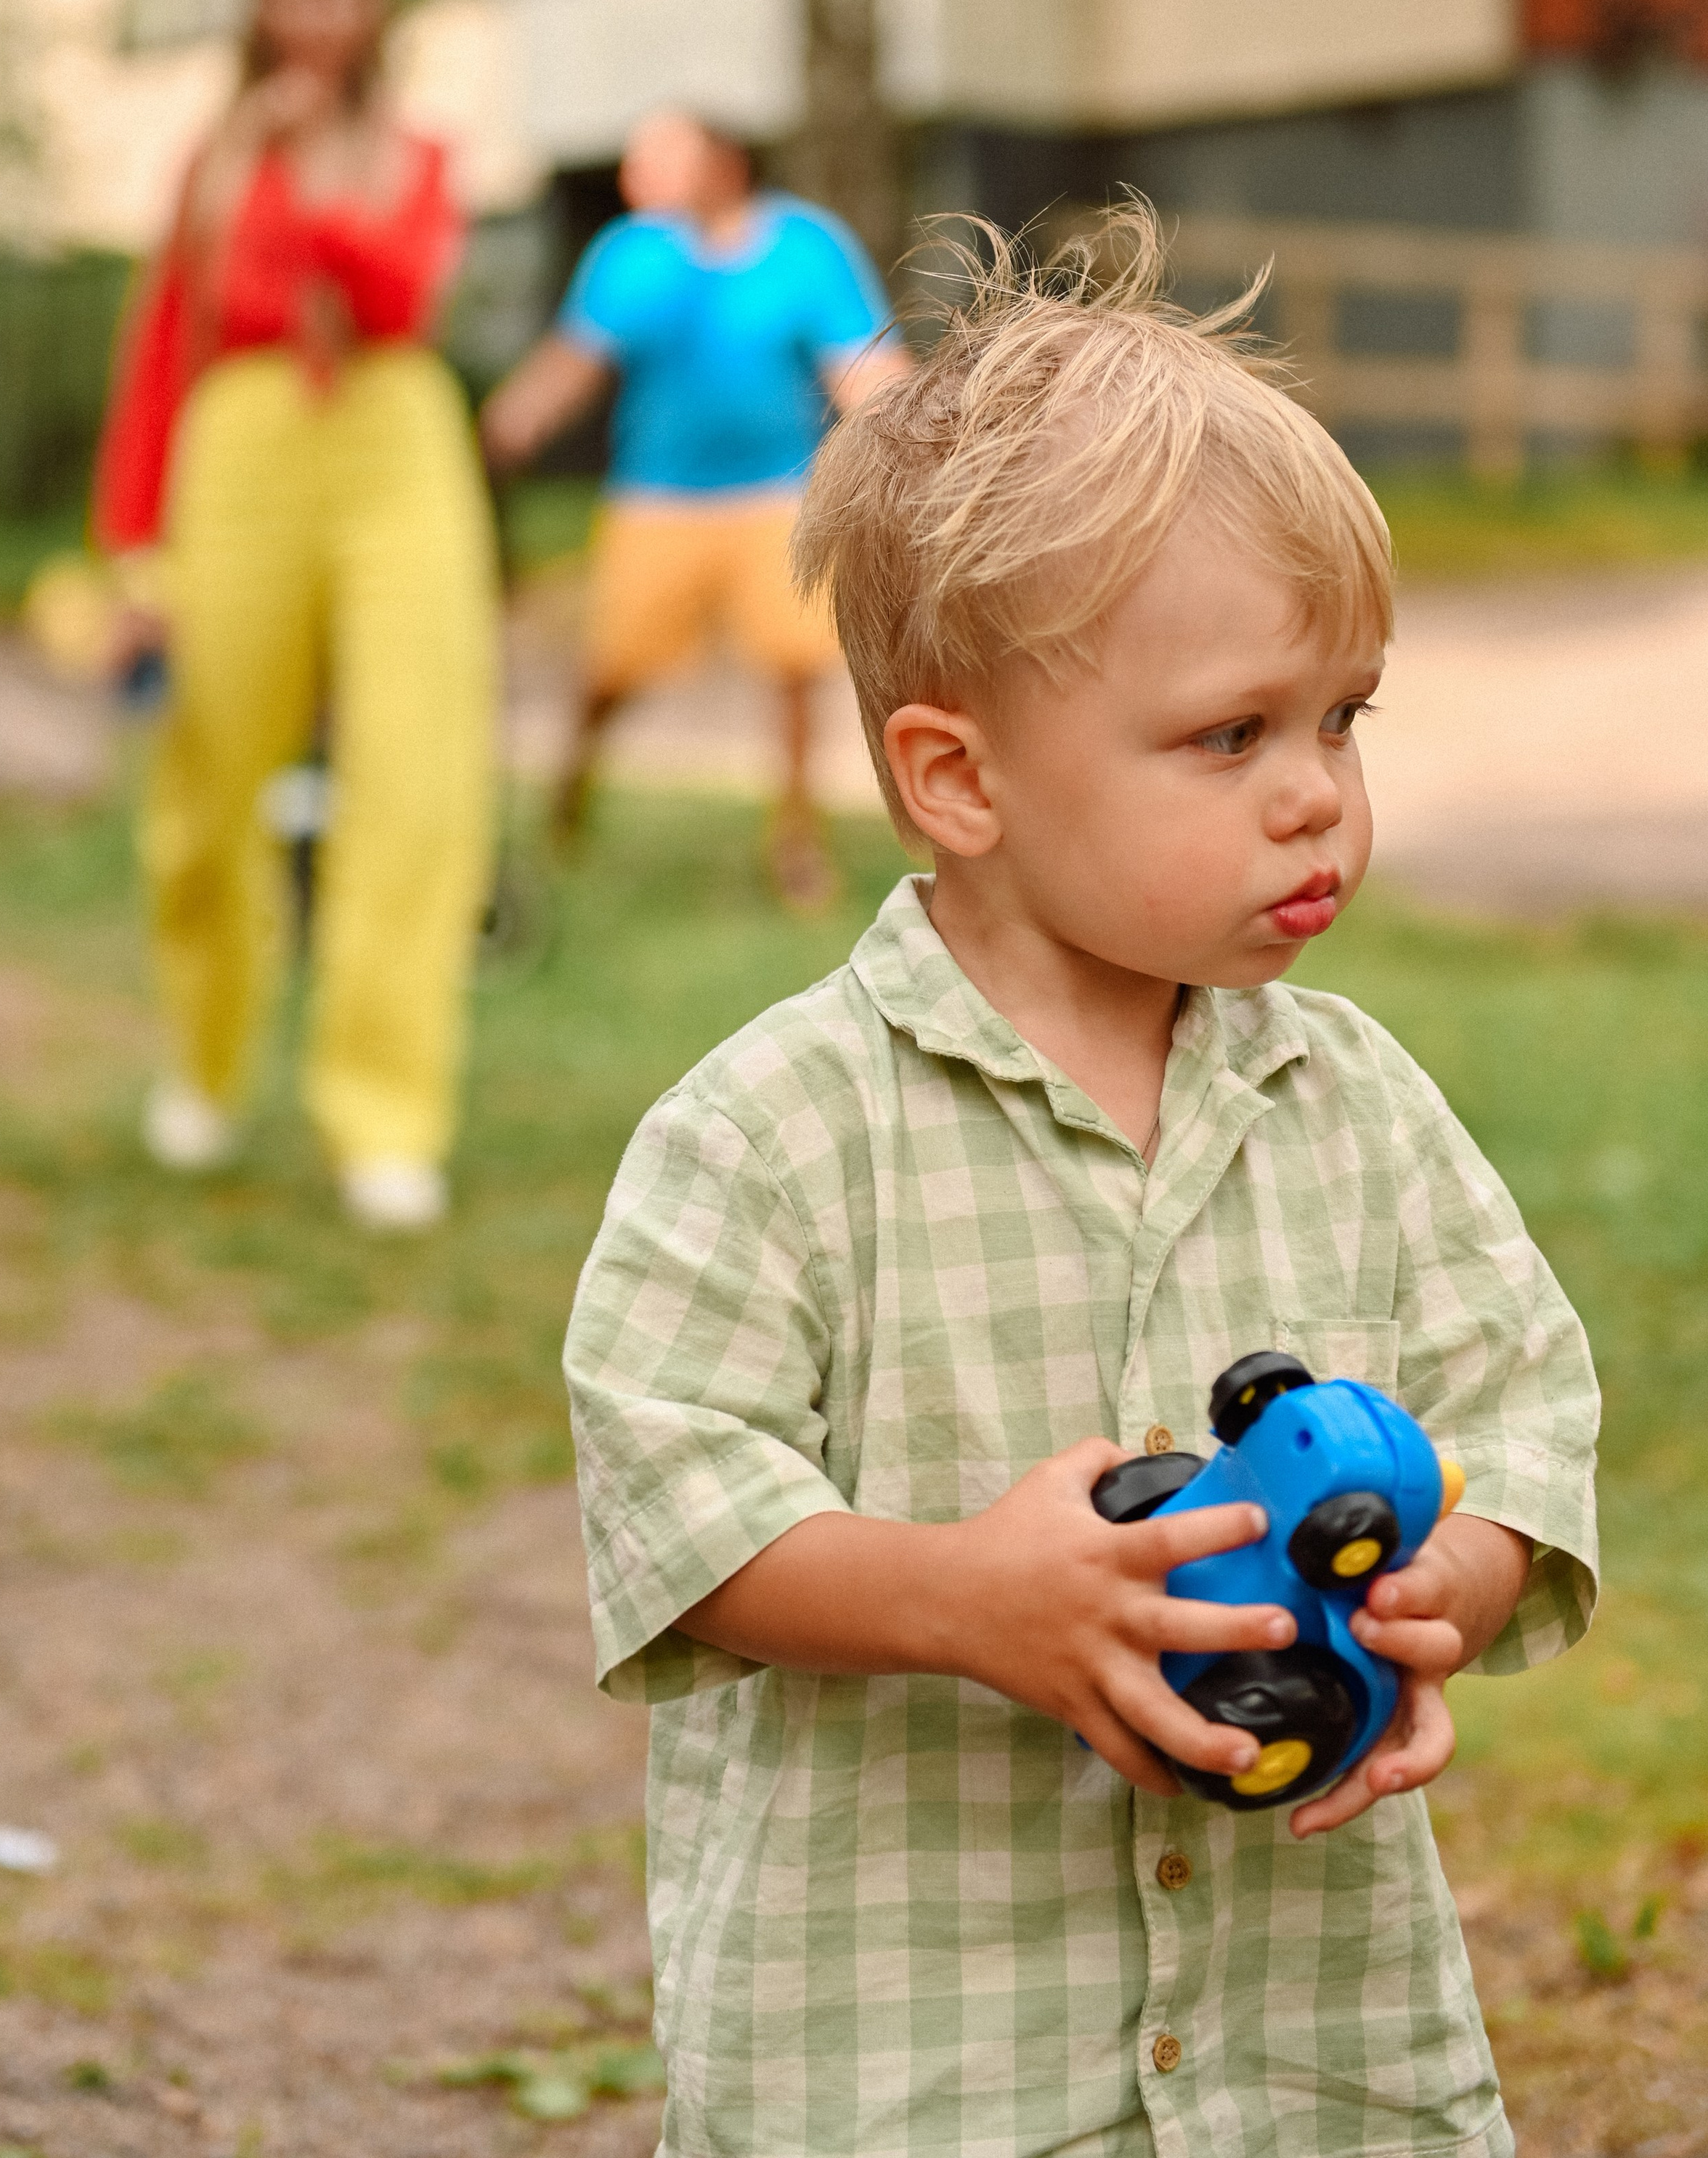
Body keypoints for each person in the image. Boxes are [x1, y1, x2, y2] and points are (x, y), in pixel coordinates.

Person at [563, 214, 1599, 2157]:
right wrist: (961, 1598)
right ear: (959, 781)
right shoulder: (773, 1133)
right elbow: (675, 1501)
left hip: (1312, 2064)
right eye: (1229, 737)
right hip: (923, 2069)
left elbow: (1523, 1416)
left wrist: (1440, 1591)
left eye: (1339, 719)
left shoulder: (1356, 1105)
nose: (1317, 795)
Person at [92, 0, 498, 1231]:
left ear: (375, 10)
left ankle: (385, 1113)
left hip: (394, 440)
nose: (323, 13)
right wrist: (132, 545)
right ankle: (205, 1062)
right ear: (263, 9)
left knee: (412, 774)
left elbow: (396, 300)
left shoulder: (420, 156)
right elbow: (165, 345)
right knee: (210, 774)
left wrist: (318, 183)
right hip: (243, 442)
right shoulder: (213, 163)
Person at [478, 109, 904, 910]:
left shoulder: (805, 247)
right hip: (659, 497)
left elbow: (860, 363)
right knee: (612, 668)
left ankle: (796, 840)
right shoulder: (630, 255)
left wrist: (907, 428)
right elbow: (578, 355)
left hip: (778, 492)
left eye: (661, 159)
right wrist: (520, 410)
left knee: (793, 665)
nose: (637, 176)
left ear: (724, 164)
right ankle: (573, 787)